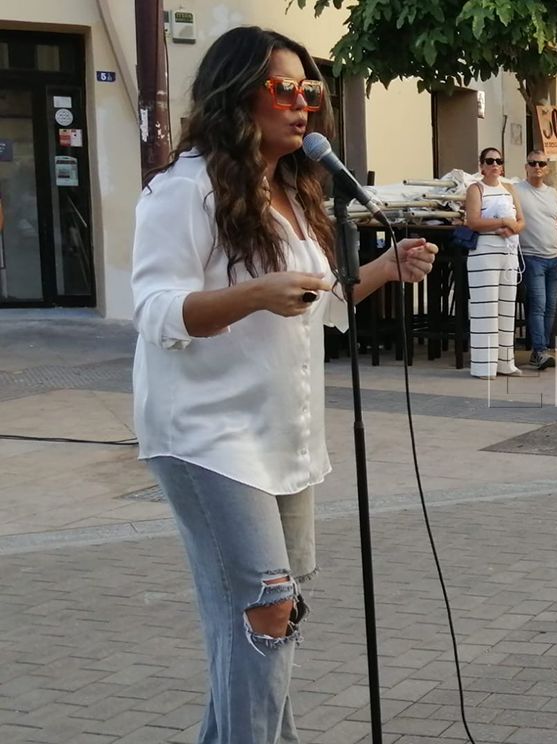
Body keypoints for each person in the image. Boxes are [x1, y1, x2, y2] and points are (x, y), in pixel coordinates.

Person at [129, 27, 437, 744]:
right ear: (238, 95)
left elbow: (318, 300)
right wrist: (254, 293)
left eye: (310, 91)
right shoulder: (182, 191)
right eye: (283, 89)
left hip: (282, 436)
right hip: (207, 435)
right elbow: (154, 312)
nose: (301, 105)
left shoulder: (292, 195)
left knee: (270, 612)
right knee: (265, 608)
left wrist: (385, 270)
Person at [464, 146, 524, 380]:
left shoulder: (509, 188)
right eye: (489, 161)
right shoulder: (475, 189)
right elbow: (473, 221)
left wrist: (511, 227)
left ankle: (505, 361)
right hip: (484, 251)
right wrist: (502, 221)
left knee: (507, 307)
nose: (494, 165)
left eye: (498, 160)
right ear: (481, 165)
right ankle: (483, 365)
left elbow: (521, 221)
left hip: (508, 250)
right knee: (484, 308)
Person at [513, 149, 557, 370]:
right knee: (538, 304)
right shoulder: (516, 190)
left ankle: (541, 349)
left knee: (550, 307)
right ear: (526, 167)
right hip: (531, 256)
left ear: (547, 168)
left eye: (541, 164)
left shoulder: (553, 193)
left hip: (554, 258)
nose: (537, 167)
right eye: (533, 163)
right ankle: (539, 350)